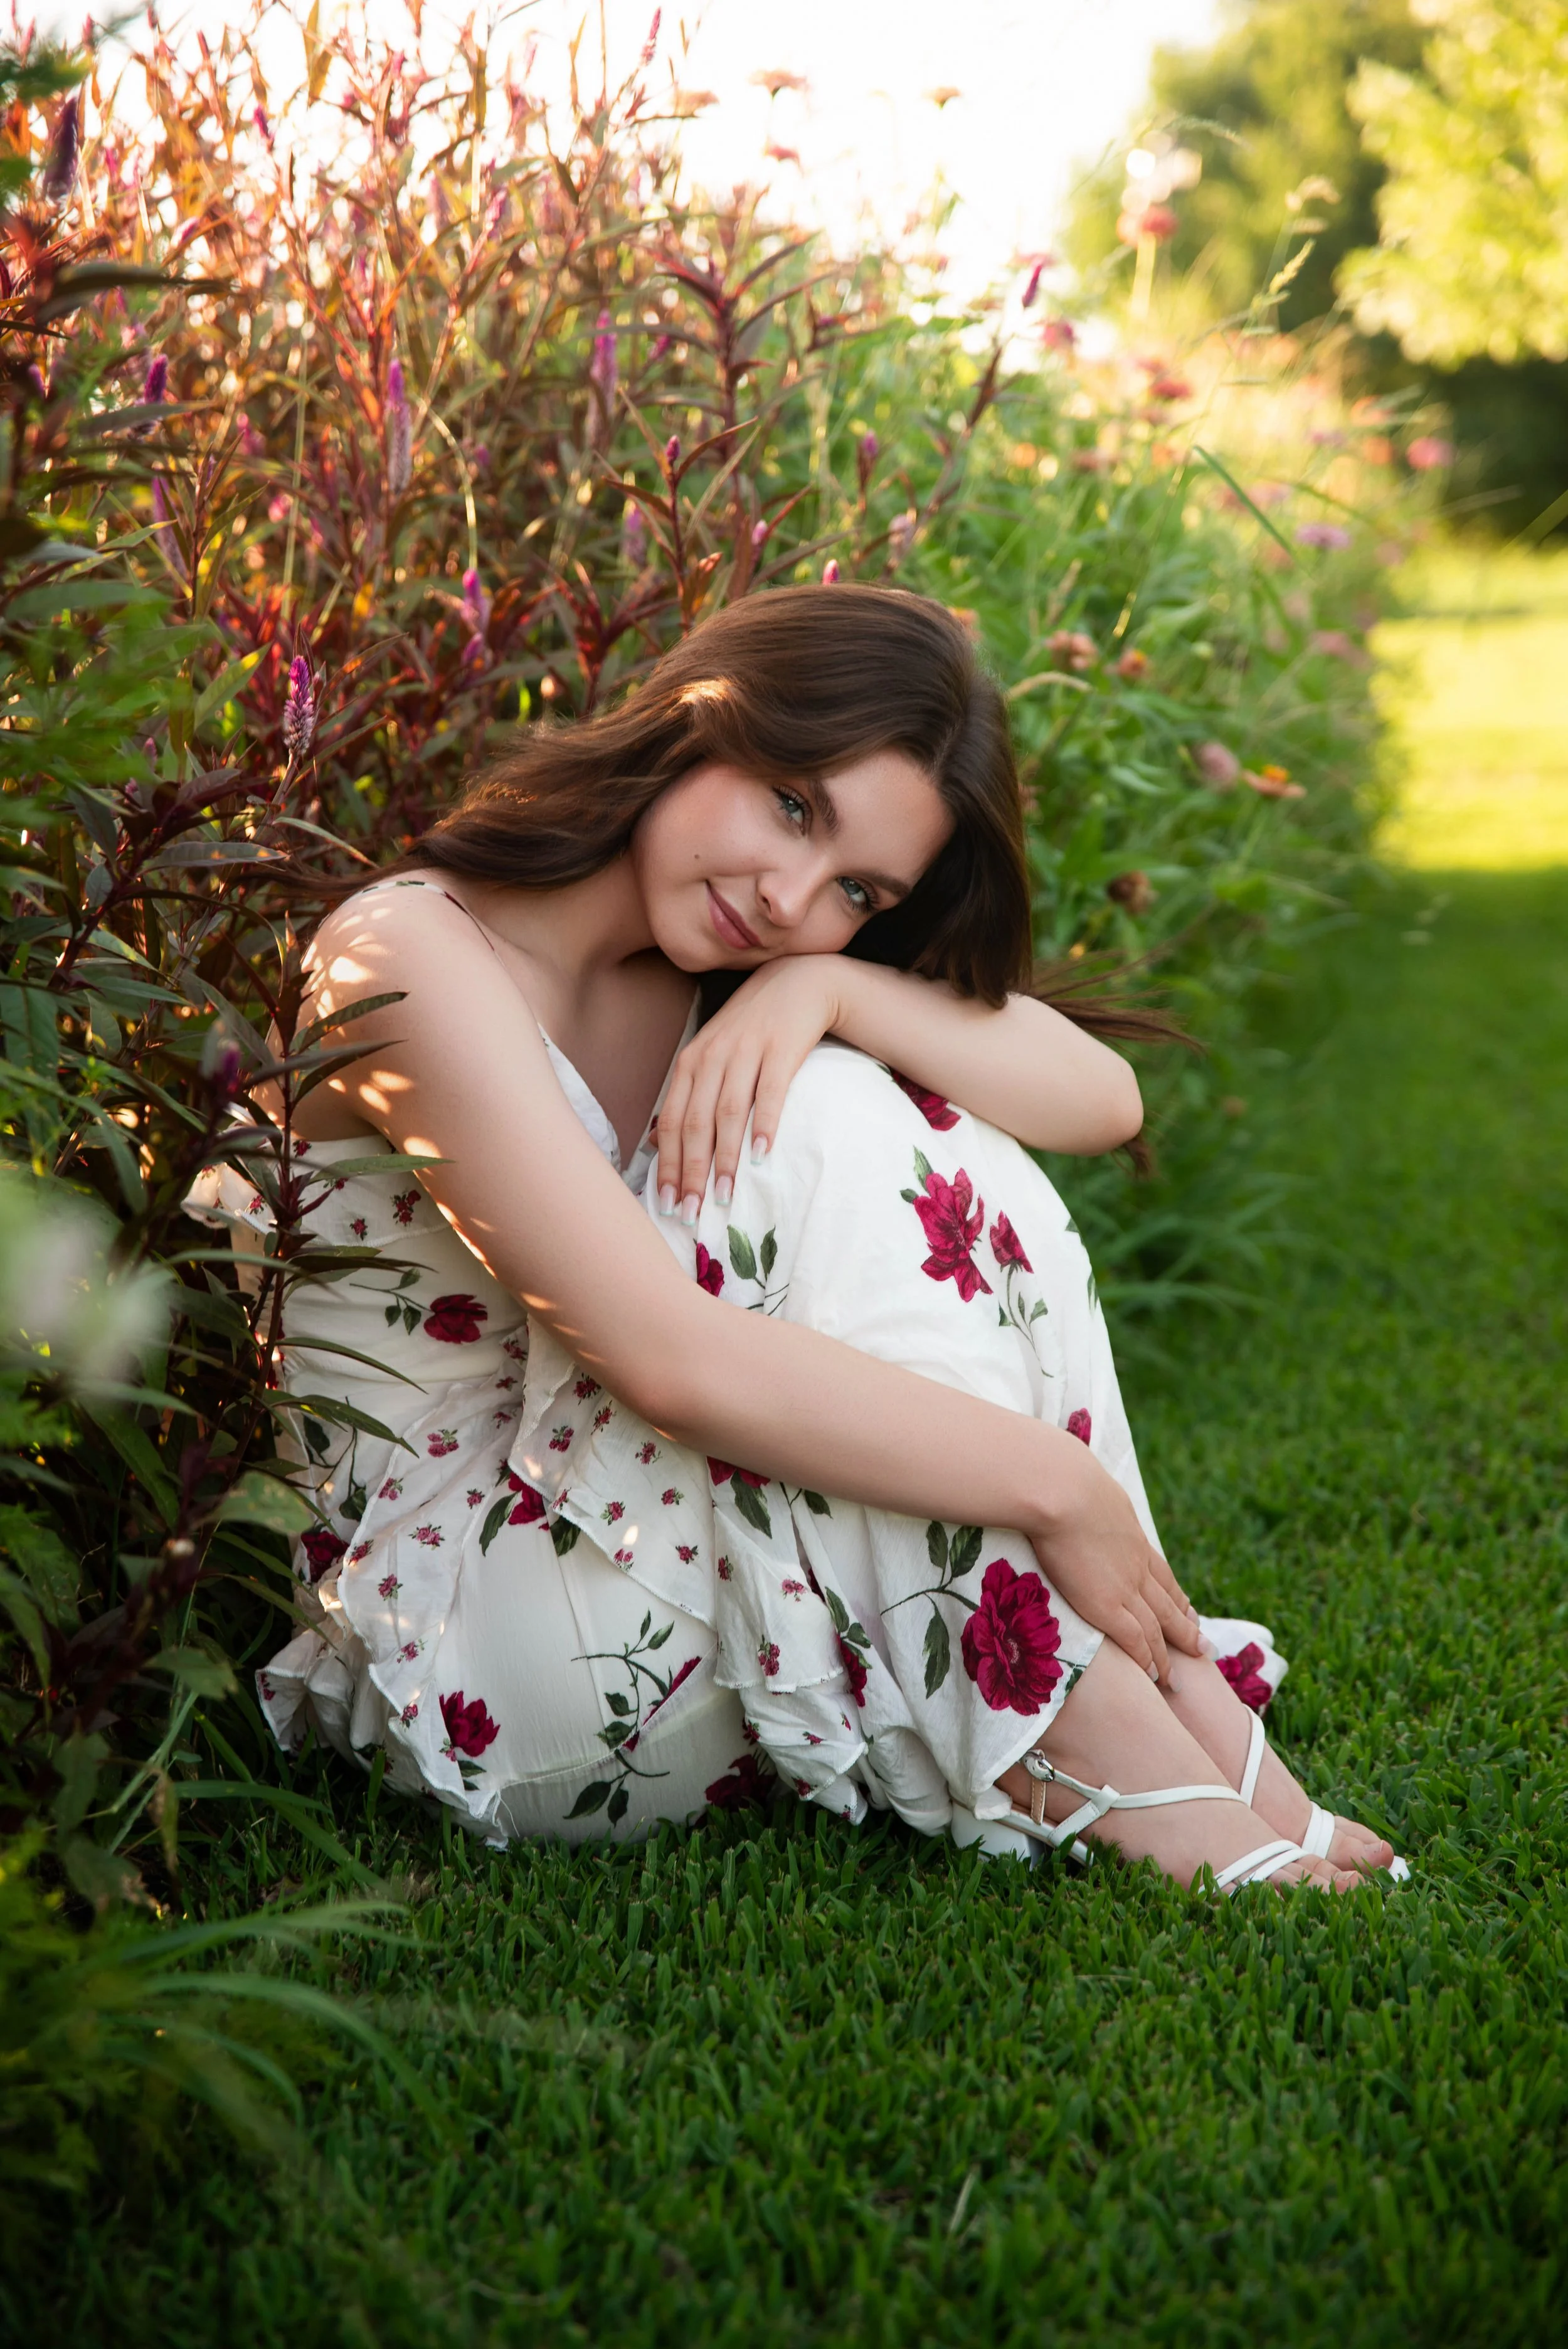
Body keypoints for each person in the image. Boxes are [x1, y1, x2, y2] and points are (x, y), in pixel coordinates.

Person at [191, 585, 1404, 1891]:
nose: (785, 897)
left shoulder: (736, 976)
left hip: (673, 1605)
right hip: (483, 1654)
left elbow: (1100, 1102)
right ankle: (1103, 1742)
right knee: (815, 1116)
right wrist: (1055, 1489)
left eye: (854, 888)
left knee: (866, 1103)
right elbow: (666, 1364)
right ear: (698, 719)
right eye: (791, 807)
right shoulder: (402, 951)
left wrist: (827, 987)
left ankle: (1173, 1725)